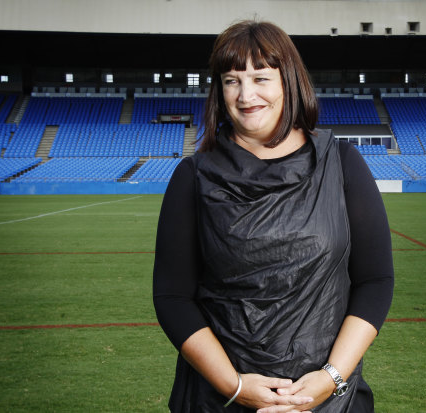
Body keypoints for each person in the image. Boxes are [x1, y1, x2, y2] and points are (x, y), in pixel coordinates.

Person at [153, 19, 394, 413]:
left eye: (260, 78)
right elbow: (172, 297)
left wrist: (330, 378)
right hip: (220, 400)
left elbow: (375, 280)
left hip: (328, 400)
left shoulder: (342, 164)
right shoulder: (193, 177)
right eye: (232, 80)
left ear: (289, 81)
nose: (246, 95)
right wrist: (233, 386)